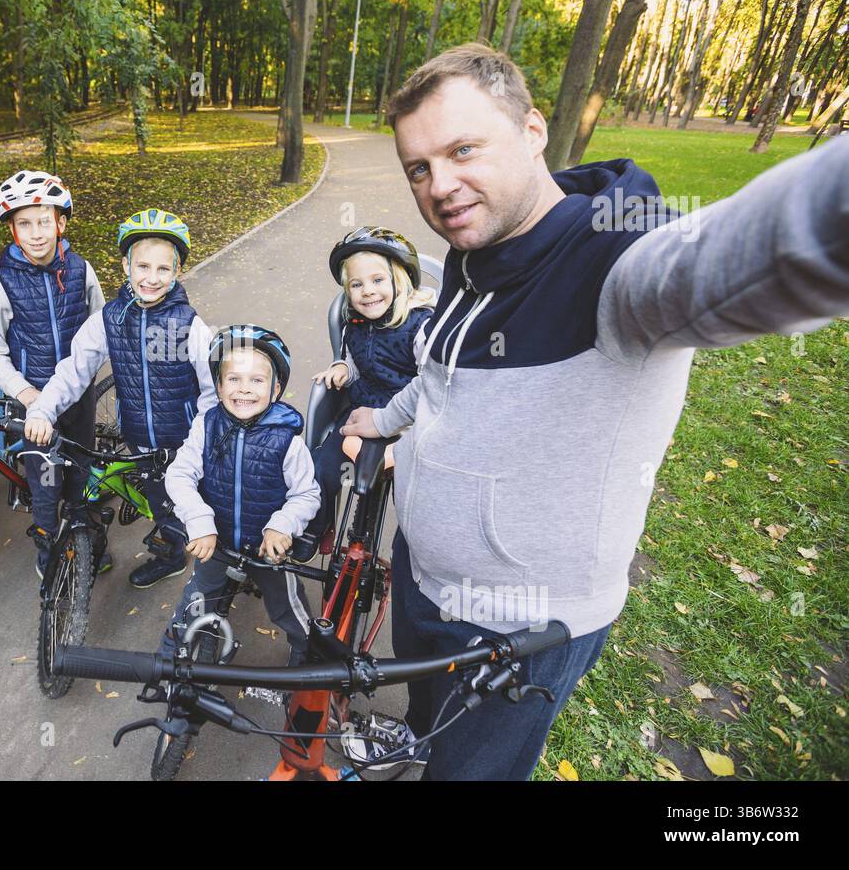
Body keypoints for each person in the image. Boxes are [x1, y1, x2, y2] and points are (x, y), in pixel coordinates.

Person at [340, 41, 849, 779]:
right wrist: (382, 421)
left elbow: (751, 254)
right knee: (427, 719)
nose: (440, 185)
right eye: (419, 167)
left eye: (463, 149)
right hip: (423, 577)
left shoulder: (620, 266)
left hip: (520, 627)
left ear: (534, 131)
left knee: (470, 773)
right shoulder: (473, 258)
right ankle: (417, 737)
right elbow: (440, 379)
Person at [24, 209, 219, 587]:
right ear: (125, 265)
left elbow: (212, 389)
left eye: (164, 269)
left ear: (176, 272)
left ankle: (173, 553)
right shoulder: (109, 319)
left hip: (182, 439)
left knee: (173, 503)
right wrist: (43, 409)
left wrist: (200, 440)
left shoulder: (189, 325)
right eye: (143, 266)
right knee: (153, 493)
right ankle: (166, 532)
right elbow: (75, 368)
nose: (152, 277)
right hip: (136, 432)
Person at [158, 326, 320, 666]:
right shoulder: (206, 426)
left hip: (265, 546)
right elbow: (179, 474)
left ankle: (308, 649)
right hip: (215, 543)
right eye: (233, 379)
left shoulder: (288, 441)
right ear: (218, 386)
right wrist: (198, 518)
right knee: (196, 600)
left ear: (276, 389)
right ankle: (170, 660)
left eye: (257, 381)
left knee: (286, 604)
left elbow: (306, 494)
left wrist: (282, 526)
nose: (244, 388)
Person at [0, 170, 109, 580]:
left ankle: (86, 533)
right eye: (24, 223)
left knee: (81, 466)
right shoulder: (2, 284)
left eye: (44, 221)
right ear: (13, 230)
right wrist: (23, 391)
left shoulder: (81, 271)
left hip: (78, 394)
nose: (36, 233)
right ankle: (48, 540)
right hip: (33, 402)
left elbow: (101, 324)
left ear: (61, 222)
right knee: (47, 476)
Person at [307, 227, 435, 542]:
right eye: (356, 284)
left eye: (378, 280)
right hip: (361, 409)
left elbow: (431, 380)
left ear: (400, 281)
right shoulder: (355, 324)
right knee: (322, 467)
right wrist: (341, 369)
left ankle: (415, 546)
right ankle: (316, 526)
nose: (367, 291)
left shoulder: (420, 326)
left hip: (409, 419)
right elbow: (352, 362)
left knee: (414, 490)